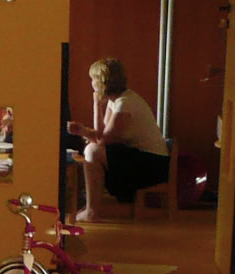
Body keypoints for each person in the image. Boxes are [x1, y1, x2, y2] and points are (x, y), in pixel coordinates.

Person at [67, 57, 171, 221]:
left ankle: (92, 211)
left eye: (93, 79)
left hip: (153, 164)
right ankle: (91, 207)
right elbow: (101, 133)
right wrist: (97, 105)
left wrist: (83, 131)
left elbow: (103, 140)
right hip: (139, 157)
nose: (91, 83)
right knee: (92, 148)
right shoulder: (115, 101)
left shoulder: (125, 103)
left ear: (101, 82)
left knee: (92, 151)